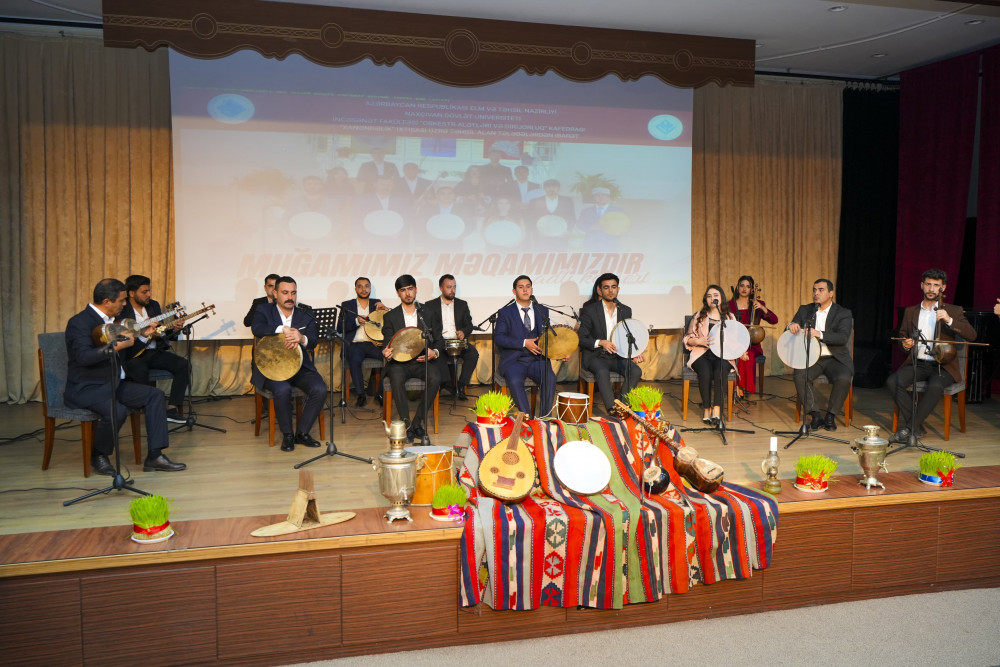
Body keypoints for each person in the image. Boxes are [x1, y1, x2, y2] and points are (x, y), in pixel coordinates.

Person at [64, 278, 186, 474]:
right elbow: (84, 357)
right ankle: (99, 455)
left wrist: (143, 335)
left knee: (155, 396)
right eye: (121, 301)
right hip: (88, 387)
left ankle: (155, 456)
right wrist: (116, 346)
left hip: (115, 384)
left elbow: (128, 352)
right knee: (117, 411)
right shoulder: (79, 322)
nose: (124, 304)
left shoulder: (116, 321)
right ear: (107, 302)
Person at [886, 269, 977, 443]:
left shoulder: (954, 310)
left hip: (943, 366)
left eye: (936, 285)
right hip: (919, 363)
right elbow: (902, 336)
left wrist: (949, 320)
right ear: (922, 285)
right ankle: (916, 427)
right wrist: (905, 344)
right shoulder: (911, 311)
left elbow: (972, 335)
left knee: (935, 386)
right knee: (893, 381)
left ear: (943, 288)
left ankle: (909, 429)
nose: (931, 289)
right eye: (928, 284)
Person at [250, 276, 326, 452]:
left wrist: (301, 338)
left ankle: (302, 433)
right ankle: (288, 435)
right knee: (282, 390)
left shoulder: (305, 313)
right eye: (285, 292)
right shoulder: (263, 310)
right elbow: (257, 328)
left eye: (293, 293)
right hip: (272, 367)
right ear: (275, 293)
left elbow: (313, 340)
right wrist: (281, 329)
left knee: (320, 389)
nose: (290, 297)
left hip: (300, 367)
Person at [380, 274, 444, 442]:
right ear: (398, 293)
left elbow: (439, 339)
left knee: (435, 377)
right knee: (396, 377)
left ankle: (417, 422)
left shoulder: (428, 313)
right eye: (403, 290)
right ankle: (407, 424)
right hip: (399, 363)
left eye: (410, 289)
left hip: (422, 360)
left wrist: (434, 352)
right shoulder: (390, 316)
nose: (407, 293)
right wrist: (386, 351)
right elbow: (387, 342)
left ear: (416, 290)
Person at [120, 274, 191, 424]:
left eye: (149, 290)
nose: (149, 294)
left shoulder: (153, 305)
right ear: (131, 293)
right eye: (144, 292)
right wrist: (143, 334)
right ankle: (152, 411)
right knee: (139, 369)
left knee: (184, 365)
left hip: (153, 352)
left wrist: (173, 329)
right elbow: (122, 339)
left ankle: (172, 409)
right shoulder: (122, 310)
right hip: (133, 355)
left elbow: (161, 331)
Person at [787, 279, 854, 431]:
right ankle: (815, 415)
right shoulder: (805, 310)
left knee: (844, 378)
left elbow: (842, 338)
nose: (816, 293)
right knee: (800, 375)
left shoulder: (843, 313)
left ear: (831, 293)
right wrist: (791, 325)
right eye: (814, 290)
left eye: (820, 290)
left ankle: (830, 416)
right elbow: (791, 326)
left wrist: (820, 334)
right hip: (811, 357)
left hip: (835, 357)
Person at [578, 273, 644, 413]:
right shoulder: (590, 310)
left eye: (613, 287)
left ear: (618, 289)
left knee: (636, 371)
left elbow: (628, 335)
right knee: (602, 371)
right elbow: (581, 339)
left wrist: (635, 353)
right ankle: (612, 410)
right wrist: (600, 342)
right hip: (596, 356)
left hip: (617, 356)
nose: (610, 291)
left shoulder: (625, 310)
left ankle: (621, 407)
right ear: (599, 290)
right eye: (606, 287)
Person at [495, 275, 557, 417]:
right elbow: (499, 338)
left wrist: (561, 352)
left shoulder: (542, 310)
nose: (525, 290)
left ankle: (545, 418)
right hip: (514, 360)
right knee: (515, 380)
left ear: (532, 290)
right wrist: (524, 342)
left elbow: (547, 336)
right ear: (514, 291)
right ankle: (528, 419)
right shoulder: (505, 312)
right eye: (521, 287)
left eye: (528, 286)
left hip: (537, 359)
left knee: (550, 378)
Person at [684, 285, 737, 424]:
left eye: (715, 295)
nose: (712, 298)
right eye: (709, 296)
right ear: (706, 300)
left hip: (723, 354)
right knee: (705, 371)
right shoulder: (699, 316)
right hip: (702, 353)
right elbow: (687, 338)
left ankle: (717, 408)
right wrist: (698, 341)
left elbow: (736, 339)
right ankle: (707, 408)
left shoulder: (730, 317)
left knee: (721, 369)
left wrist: (741, 352)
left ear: (721, 298)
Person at [425, 274, 480, 401]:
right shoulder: (430, 305)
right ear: (441, 288)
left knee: (473, 354)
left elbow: (469, 325)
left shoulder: (462, 304)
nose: (452, 290)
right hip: (440, 341)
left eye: (454, 287)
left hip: (458, 341)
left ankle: (461, 385)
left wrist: (463, 332)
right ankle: (449, 385)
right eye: (449, 287)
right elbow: (427, 327)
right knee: (437, 355)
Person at [337, 276, 388, 408]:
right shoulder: (347, 305)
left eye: (366, 286)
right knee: (355, 358)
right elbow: (339, 328)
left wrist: (386, 309)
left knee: (388, 357)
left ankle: (380, 393)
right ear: (355, 289)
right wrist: (356, 321)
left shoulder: (377, 304)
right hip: (355, 344)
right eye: (360, 286)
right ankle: (361, 395)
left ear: (370, 288)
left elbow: (390, 321)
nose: (363, 289)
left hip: (373, 344)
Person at [727, 275, 779, 397]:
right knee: (738, 353)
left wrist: (762, 308)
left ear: (752, 290)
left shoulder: (758, 304)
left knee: (748, 355)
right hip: (734, 343)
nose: (744, 289)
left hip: (752, 344)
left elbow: (774, 320)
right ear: (737, 287)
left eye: (748, 286)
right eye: (742, 286)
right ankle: (737, 387)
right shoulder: (730, 304)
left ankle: (743, 386)